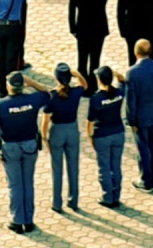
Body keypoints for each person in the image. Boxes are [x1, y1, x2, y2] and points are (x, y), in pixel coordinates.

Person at [0, 72, 51, 234]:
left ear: (8, 86)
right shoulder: (33, 99)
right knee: (27, 183)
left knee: (15, 185)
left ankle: (17, 221)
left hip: (10, 148)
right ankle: (29, 221)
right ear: (23, 86)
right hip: (30, 145)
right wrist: (32, 83)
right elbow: (47, 93)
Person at [68, 0, 121, 95]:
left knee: (82, 59)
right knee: (95, 60)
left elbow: (71, 10)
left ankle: (83, 86)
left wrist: (72, 29)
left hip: (82, 29)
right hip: (99, 29)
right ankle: (93, 87)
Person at [42, 63, 88, 214]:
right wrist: (78, 75)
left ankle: (57, 203)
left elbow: (45, 121)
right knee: (73, 167)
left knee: (57, 169)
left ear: (56, 77)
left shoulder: (52, 96)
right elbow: (85, 86)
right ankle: (73, 201)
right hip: (72, 130)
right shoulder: (76, 92)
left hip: (57, 131)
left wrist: (44, 138)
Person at [126, 38, 153, 192]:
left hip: (141, 117)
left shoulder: (132, 73)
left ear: (135, 52)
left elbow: (131, 101)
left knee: (143, 148)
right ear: (150, 51)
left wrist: (131, 120)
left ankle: (146, 181)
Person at [87, 66, 127, 209]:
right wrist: (116, 73)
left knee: (104, 167)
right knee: (115, 165)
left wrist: (90, 137)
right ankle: (116, 195)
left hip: (102, 136)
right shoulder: (119, 93)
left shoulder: (96, 98)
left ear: (99, 80)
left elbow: (90, 122)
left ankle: (107, 197)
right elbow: (123, 81)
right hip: (118, 133)